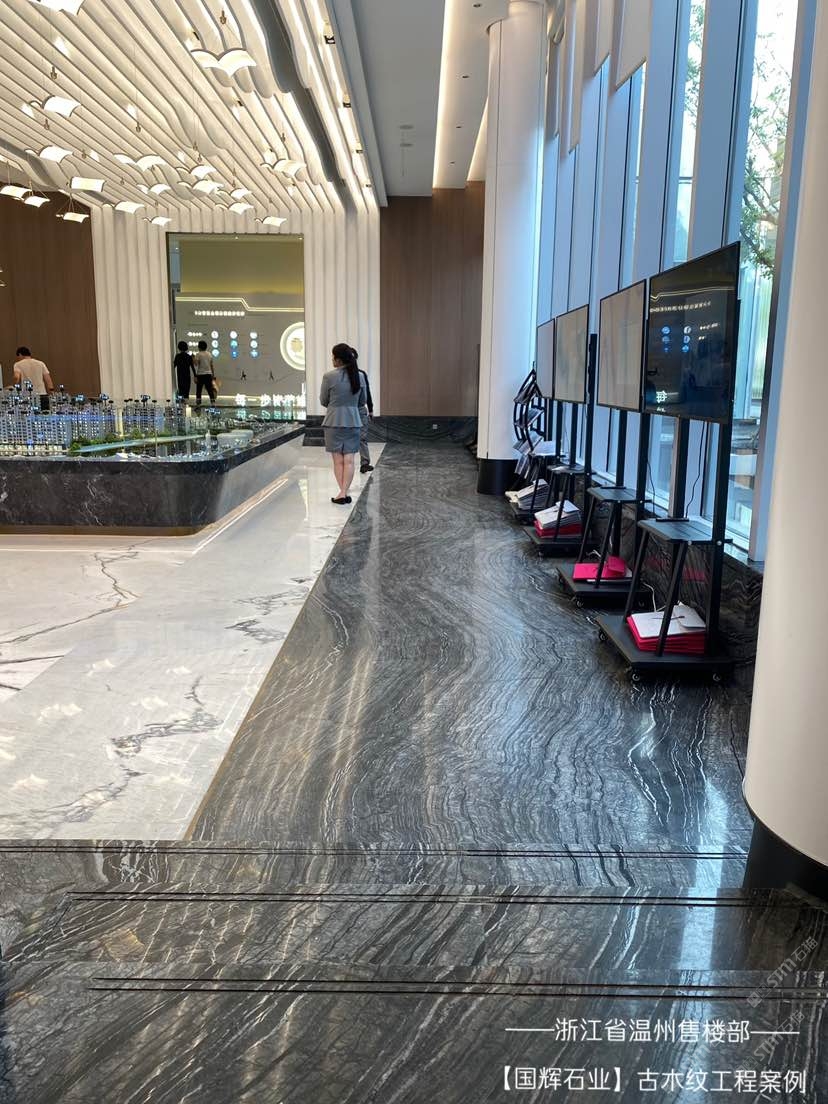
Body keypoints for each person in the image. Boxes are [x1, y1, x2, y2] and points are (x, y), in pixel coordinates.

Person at [320, 343, 366, 504]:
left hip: (333, 421)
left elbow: (323, 400)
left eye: (333, 357)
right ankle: (344, 492)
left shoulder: (328, 376)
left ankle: (342, 493)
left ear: (339, 360)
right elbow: (362, 401)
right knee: (349, 460)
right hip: (353, 420)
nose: (332, 360)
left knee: (338, 460)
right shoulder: (359, 376)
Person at [351, 346, 374, 474]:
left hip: (360, 410)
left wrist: (370, 409)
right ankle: (347, 464)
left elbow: (367, 392)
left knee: (362, 437)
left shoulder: (361, 374)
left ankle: (365, 463)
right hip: (348, 410)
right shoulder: (338, 376)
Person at [192, 340, 216, 407]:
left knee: (199, 390)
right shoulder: (209, 354)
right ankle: (213, 403)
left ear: (199, 347)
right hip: (208, 374)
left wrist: (193, 358)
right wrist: (213, 375)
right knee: (210, 390)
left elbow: (196, 364)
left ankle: (198, 404)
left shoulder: (198, 354)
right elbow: (211, 365)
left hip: (200, 375)